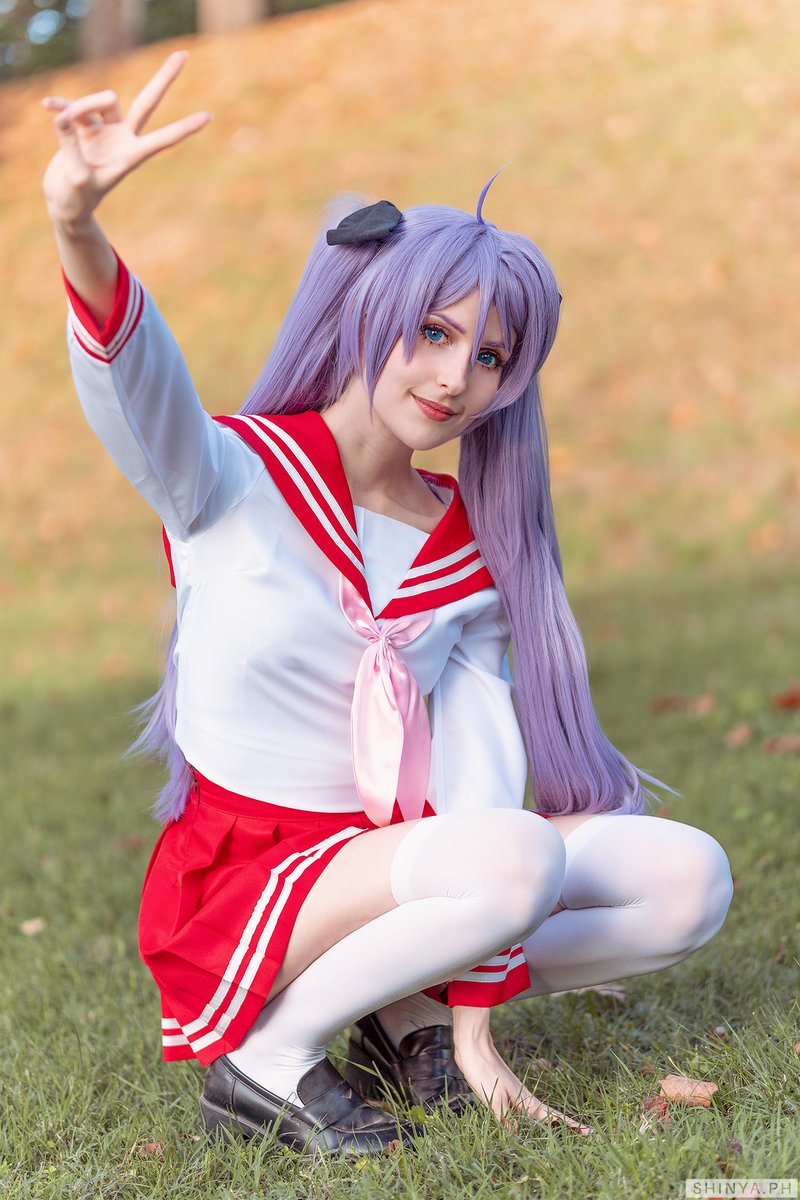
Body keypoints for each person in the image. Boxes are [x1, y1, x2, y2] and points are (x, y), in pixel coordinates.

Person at [42, 52, 734, 1157]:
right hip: (250, 880)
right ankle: (267, 1060)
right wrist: (77, 223)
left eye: (491, 355)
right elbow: (138, 385)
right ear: (372, 310)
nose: (456, 378)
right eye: (434, 333)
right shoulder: (230, 478)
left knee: (686, 878)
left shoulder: (469, 541)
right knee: (512, 858)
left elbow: (477, 772)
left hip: (409, 863)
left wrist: (473, 1021)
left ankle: (402, 1008)